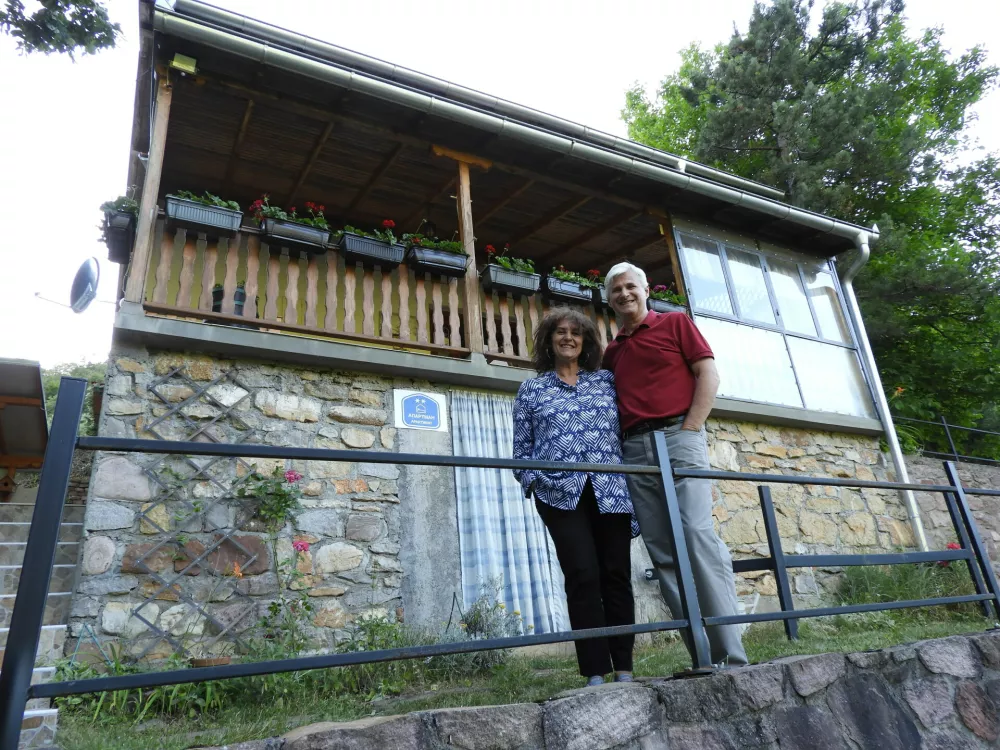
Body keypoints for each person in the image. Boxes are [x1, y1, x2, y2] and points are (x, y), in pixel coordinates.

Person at [602, 261, 748, 668]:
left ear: (646, 290)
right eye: (616, 290)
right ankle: (702, 656)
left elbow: (709, 375)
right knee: (662, 551)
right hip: (635, 449)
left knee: (696, 534)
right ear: (609, 300)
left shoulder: (676, 323)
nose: (624, 294)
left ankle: (730, 654)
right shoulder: (612, 352)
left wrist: (690, 428)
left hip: (679, 436)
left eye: (631, 286)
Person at [512, 308, 639, 686]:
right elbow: (521, 450)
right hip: (560, 495)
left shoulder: (606, 382)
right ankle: (595, 670)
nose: (568, 338)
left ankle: (625, 668)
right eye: (560, 332)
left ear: (585, 342)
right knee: (582, 576)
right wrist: (535, 480)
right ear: (548, 340)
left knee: (616, 575)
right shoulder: (532, 389)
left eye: (575, 333)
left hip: (610, 490)